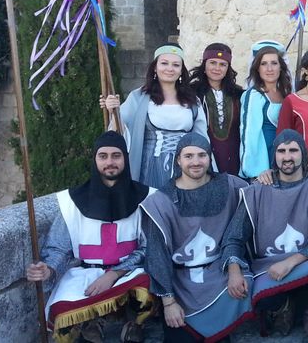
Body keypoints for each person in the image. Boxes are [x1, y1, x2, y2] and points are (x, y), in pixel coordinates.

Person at [25, 131, 153, 343]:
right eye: (103, 156)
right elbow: (58, 248)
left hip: (128, 272)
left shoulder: (146, 198)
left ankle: (133, 324)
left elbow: (151, 248)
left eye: (116, 155)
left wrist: (113, 274)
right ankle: (92, 321)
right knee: (62, 315)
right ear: (94, 160)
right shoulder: (72, 201)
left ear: (125, 159)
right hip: (85, 275)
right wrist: (48, 269)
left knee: (145, 285)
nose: (110, 162)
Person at [221, 129, 308, 339]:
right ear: (274, 155)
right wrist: (233, 270)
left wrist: (290, 262)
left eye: (293, 150)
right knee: (257, 294)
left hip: (306, 261)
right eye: (282, 151)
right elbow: (234, 236)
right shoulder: (257, 189)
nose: (287, 157)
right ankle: (282, 308)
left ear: (304, 154)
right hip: (269, 266)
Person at [140, 133, 252, 342]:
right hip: (180, 284)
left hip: (219, 276)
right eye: (189, 156)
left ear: (210, 159)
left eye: (202, 155)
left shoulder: (229, 185)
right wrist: (169, 303)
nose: (196, 162)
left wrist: (271, 175)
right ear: (178, 160)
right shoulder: (161, 201)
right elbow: (157, 255)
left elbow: (261, 196)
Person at [101, 43, 208, 188]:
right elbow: (118, 132)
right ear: (155, 68)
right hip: (150, 167)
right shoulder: (138, 97)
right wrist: (114, 110)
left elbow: (201, 138)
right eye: (164, 63)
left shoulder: (192, 100)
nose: (170, 68)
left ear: (181, 71)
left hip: (186, 168)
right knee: (154, 206)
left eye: (176, 65)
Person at [189, 43, 244, 176]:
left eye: (222, 64)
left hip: (233, 158)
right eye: (213, 63)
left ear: (228, 68)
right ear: (204, 65)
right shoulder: (191, 92)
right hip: (201, 157)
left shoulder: (238, 94)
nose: (217, 68)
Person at [240, 41, 292, 179]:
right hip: (264, 165)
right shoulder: (254, 95)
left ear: (281, 67)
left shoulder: (287, 93)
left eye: (274, 63)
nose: (269, 68)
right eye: (264, 64)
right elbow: (250, 136)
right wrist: (258, 171)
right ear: (257, 68)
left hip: (286, 160)